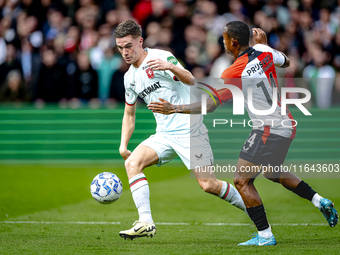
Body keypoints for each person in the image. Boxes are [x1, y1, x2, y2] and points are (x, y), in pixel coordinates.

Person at [148, 21, 339, 246]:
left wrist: (174, 108)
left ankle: (265, 236)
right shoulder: (264, 51)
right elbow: (287, 63)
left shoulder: (233, 72)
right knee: (271, 172)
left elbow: (210, 106)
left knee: (241, 181)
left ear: (233, 42)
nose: (223, 43)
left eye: (224, 39)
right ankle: (319, 200)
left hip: (269, 127)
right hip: (285, 122)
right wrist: (266, 45)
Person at [114, 19, 247, 240]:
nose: (125, 52)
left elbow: (191, 80)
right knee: (132, 163)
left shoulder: (161, 57)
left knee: (208, 185)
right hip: (164, 134)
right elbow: (129, 114)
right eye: (120, 48)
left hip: (189, 129)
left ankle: (253, 208)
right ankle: (146, 222)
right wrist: (123, 145)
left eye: (128, 46)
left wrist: (172, 67)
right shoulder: (130, 77)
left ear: (140, 41)